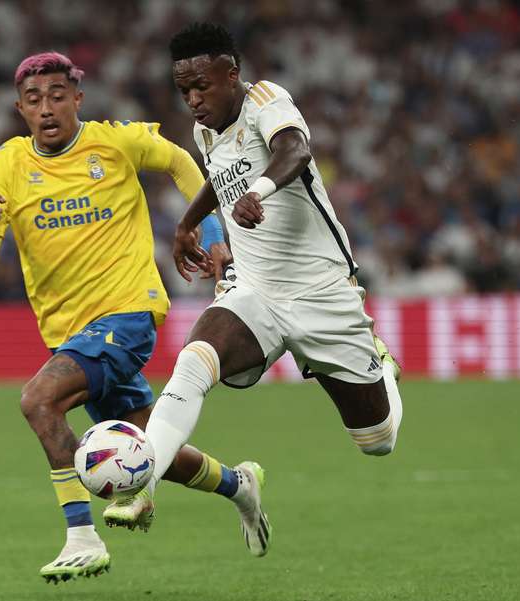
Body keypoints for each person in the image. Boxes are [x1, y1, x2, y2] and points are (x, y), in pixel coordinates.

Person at [0, 52, 269, 584]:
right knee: (154, 449)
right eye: (34, 100)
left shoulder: (113, 141)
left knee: (39, 401)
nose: (47, 108)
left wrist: (213, 232)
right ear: (20, 110)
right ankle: (239, 485)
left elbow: (178, 160)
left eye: (57, 95)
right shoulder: (6, 165)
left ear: (77, 99)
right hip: (69, 333)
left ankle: (81, 538)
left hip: (127, 313)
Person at [109, 23, 405, 552]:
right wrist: (187, 223)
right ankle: (144, 483)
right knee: (194, 362)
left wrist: (260, 189)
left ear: (232, 74)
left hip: (321, 293)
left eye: (202, 85)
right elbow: (216, 177)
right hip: (255, 292)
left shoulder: (266, 100)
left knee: (377, 442)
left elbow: (295, 150)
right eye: (184, 91)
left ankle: (381, 365)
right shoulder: (206, 130)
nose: (194, 100)